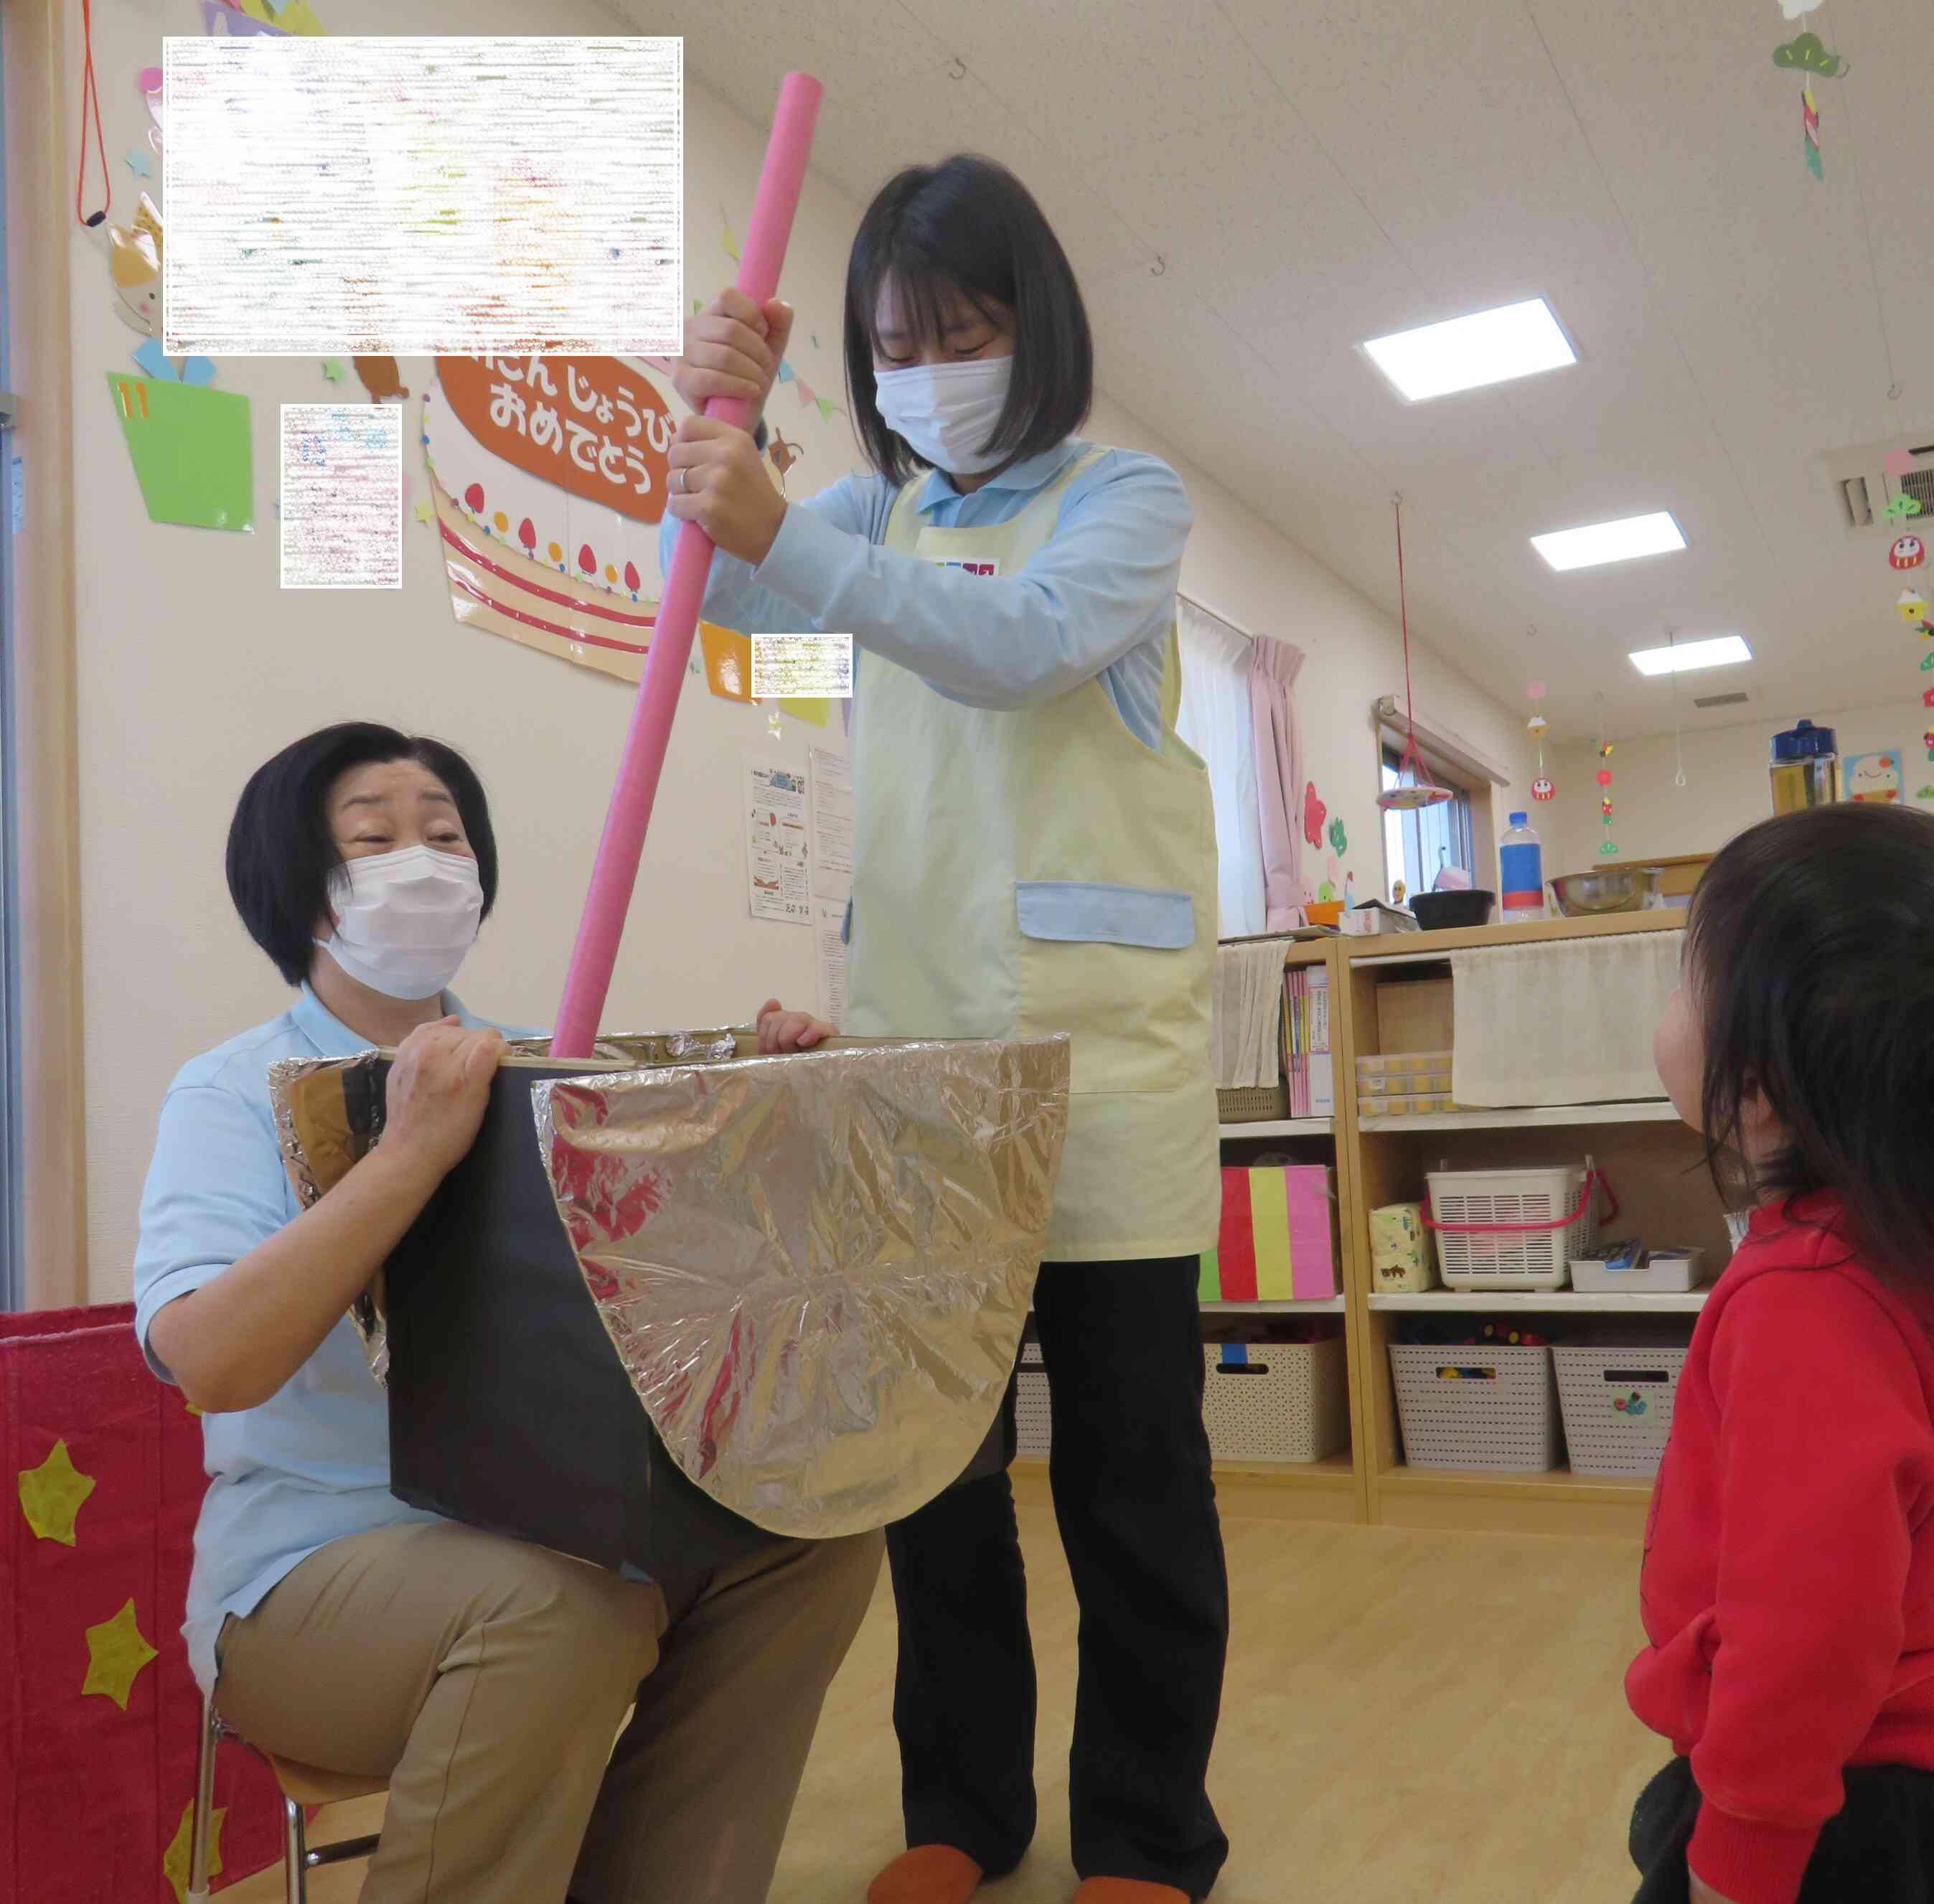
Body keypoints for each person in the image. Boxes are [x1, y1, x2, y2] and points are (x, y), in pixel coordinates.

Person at [670, 155, 1227, 1904]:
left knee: (1132, 1480)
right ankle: (960, 1811)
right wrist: (718, 428)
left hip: (1105, 1069)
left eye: (964, 327)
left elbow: (1017, 644)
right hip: (915, 1075)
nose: (930, 366)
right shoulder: (865, 511)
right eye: (899, 339)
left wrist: (781, 525)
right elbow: (702, 590)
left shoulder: (1124, 501)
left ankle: (1147, 1832)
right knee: (935, 1477)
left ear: (1035, 327)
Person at [134, 722, 876, 1904]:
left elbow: (675, 1296)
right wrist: (411, 1152)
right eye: (373, 837)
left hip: (545, 1528)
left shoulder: (549, 1067)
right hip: (308, 1578)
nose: (422, 858)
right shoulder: (228, 1092)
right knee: (564, 1606)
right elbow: (211, 1364)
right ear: (301, 892)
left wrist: (771, 1096)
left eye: (445, 833)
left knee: (811, 1540)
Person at [1629, 801, 1934, 1904]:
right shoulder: (1898, 1237)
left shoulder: (1806, 1303)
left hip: (1838, 1803)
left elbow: (1809, 1628)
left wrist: (1741, 1856)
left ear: (1755, 1085)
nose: (1666, 1012)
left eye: (1683, 981)